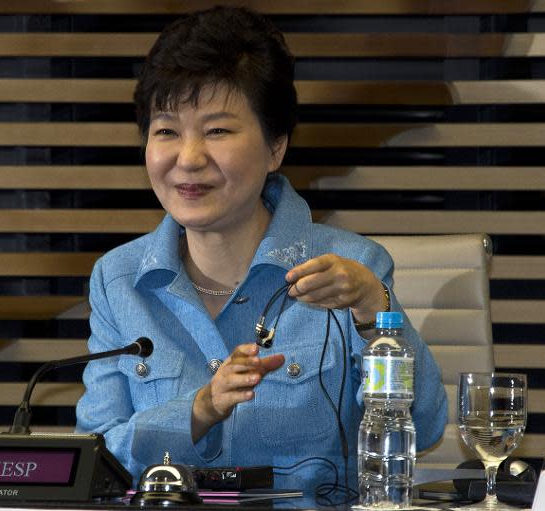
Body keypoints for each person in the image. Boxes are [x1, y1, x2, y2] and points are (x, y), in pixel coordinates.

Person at [75, 5, 447, 497]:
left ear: (275, 147)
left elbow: (425, 425)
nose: (188, 158)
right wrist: (199, 410)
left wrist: (374, 308)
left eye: (217, 131)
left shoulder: (355, 270)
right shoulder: (117, 280)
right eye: (167, 131)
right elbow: (96, 456)